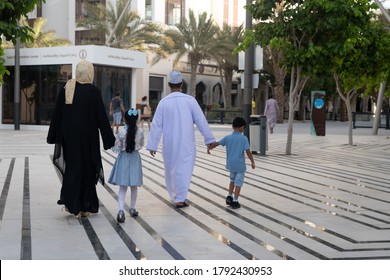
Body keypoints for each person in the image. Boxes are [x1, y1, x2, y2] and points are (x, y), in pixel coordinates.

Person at [47, 60, 115, 218]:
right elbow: (101, 118)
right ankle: (85, 205)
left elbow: (57, 114)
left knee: (73, 168)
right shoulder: (93, 91)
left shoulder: (67, 89)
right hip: (88, 139)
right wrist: (109, 139)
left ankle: (73, 205)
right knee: (88, 169)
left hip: (70, 139)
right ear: (89, 72)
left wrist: (53, 136)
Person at [146, 70, 216, 208]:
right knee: (184, 169)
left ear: (169, 84)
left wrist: (152, 145)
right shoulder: (190, 100)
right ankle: (180, 198)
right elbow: (201, 121)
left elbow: (156, 125)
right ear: (181, 85)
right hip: (186, 143)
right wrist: (209, 140)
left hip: (169, 143)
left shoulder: (163, 102)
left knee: (170, 169)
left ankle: (175, 196)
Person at [208, 117, 255, 209]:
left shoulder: (228, 137)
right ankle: (235, 201)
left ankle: (229, 196)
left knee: (232, 180)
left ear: (233, 126)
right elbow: (248, 151)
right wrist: (252, 161)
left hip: (230, 164)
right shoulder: (244, 138)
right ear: (242, 127)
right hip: (240, 165)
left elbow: (217, 143)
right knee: (238, 183)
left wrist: (210, 147)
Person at [108, 108, 144, 223]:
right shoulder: (141, 131)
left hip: (124, 158)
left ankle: (121, 211)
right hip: (135, 158)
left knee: (122, 187)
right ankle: (132, 208)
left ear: (124, 119)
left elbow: (117, 147)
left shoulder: (122, 132)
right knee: (134, 185)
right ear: (137, 119)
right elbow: (141, 144)